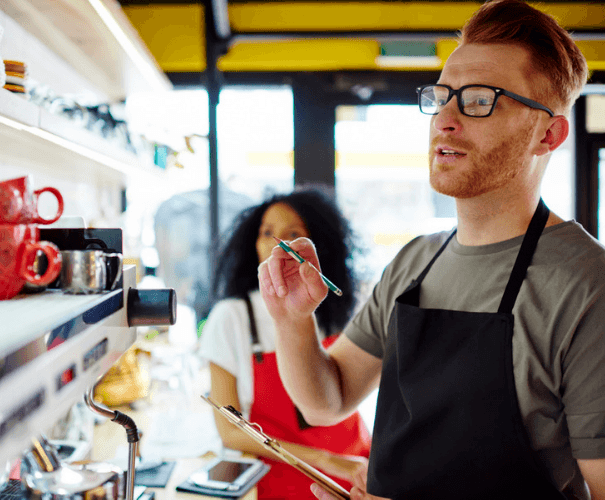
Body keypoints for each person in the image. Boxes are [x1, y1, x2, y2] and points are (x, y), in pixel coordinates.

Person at [258, 1, 605, 499]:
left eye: (480, 99)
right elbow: (327, 401)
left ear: (547, 134)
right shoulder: (416, 261)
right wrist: (292, 319)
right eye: (441, 96)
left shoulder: (587, 285)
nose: (444, 118)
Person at [198, 188, 372, 499]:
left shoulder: (337, 309)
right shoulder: (233, 317)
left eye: (292, 233)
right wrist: (327, 461)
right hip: (289, 478)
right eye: (267, 233)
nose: (278, 243)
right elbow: (230, 432)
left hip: (362, 467)